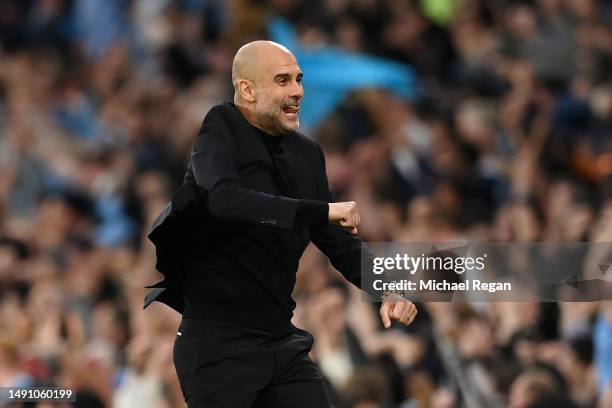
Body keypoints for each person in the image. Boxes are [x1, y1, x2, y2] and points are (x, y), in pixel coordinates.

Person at [150, 40, 417, 407]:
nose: (296, 91)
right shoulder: (221, 130)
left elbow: (337, 242)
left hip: (279, 342)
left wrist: (386, 287)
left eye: (298, 79)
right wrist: (318, 211)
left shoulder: (307, 154)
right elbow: (223, 200)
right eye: (282, 80)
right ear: (247, 89)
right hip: (218, 349)